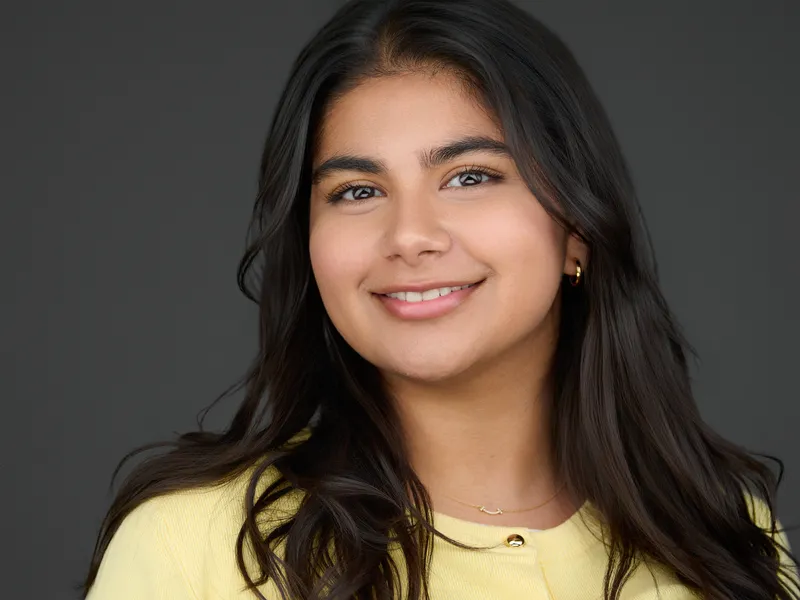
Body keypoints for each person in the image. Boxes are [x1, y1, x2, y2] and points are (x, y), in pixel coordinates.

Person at [80, 0, 799, 598]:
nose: (411, 236)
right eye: (357, 191)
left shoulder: (718, 528)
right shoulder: (196, 546)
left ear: (576, 228)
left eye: (470, 176)